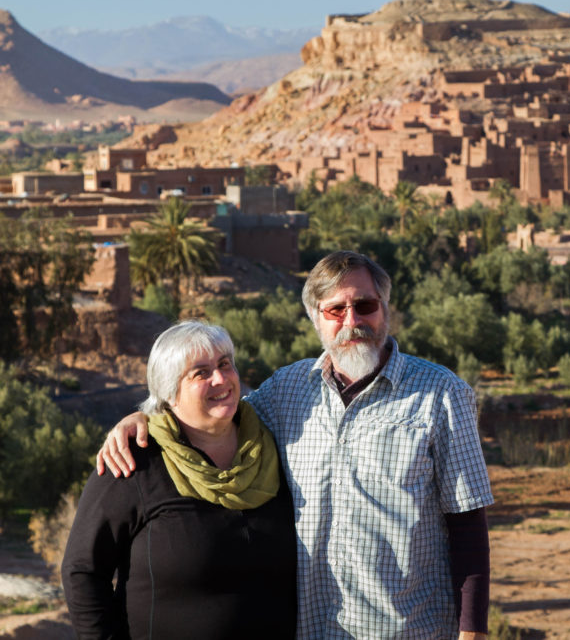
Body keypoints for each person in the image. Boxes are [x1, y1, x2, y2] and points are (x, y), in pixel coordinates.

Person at [98, 251, 493, 640]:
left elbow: (468, 527)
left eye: (365, 305)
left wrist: (471, 632)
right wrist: (147, 418)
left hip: (409, 631)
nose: (352, 321)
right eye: (335, 310)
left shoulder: (442, 394)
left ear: (385, 308)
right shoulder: (287, 390)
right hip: (309, 630)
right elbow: (212, 416)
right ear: (316, 320)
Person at [63, 321, 297, 639]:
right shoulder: (133, 463)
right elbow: (83, 570)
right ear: (170, 394)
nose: (221, 378)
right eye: (200, 372)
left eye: (224, 364)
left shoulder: (275, 448)